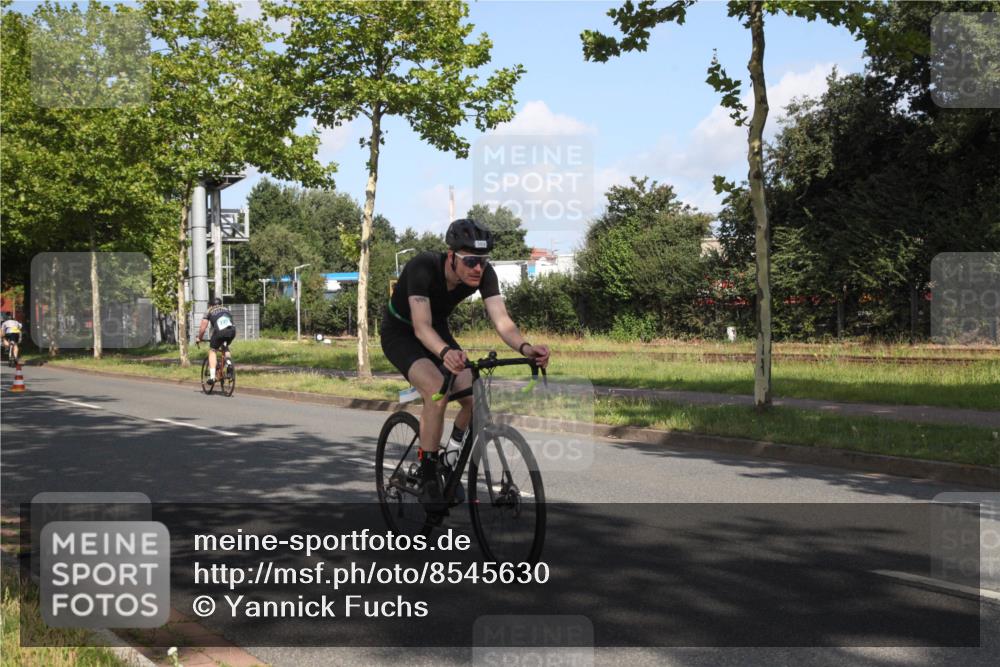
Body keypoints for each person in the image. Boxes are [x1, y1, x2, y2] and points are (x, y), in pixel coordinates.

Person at [380, 219, 550, 512]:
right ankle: (429, 472)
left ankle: (451, 455)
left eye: (483, 262)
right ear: (451, 257)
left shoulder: (484, 274)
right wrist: (446, 352)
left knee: (474, 394)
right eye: (470, 261)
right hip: (403, 333)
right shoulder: (423, 267)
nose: (477, 268)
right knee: (437, 388)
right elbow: (421, 327)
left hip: (438, 330)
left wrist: (525, 347)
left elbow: (502, 321)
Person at [196, 298, 236, 385]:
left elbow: (203, 326)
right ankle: (229, 363)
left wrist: (199, 337)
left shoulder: (209, 310)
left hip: (220, 332)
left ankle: (212, 377)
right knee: (225, 347)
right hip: (232, 331)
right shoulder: (226, 309)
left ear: (210, 305)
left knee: (212, 350)